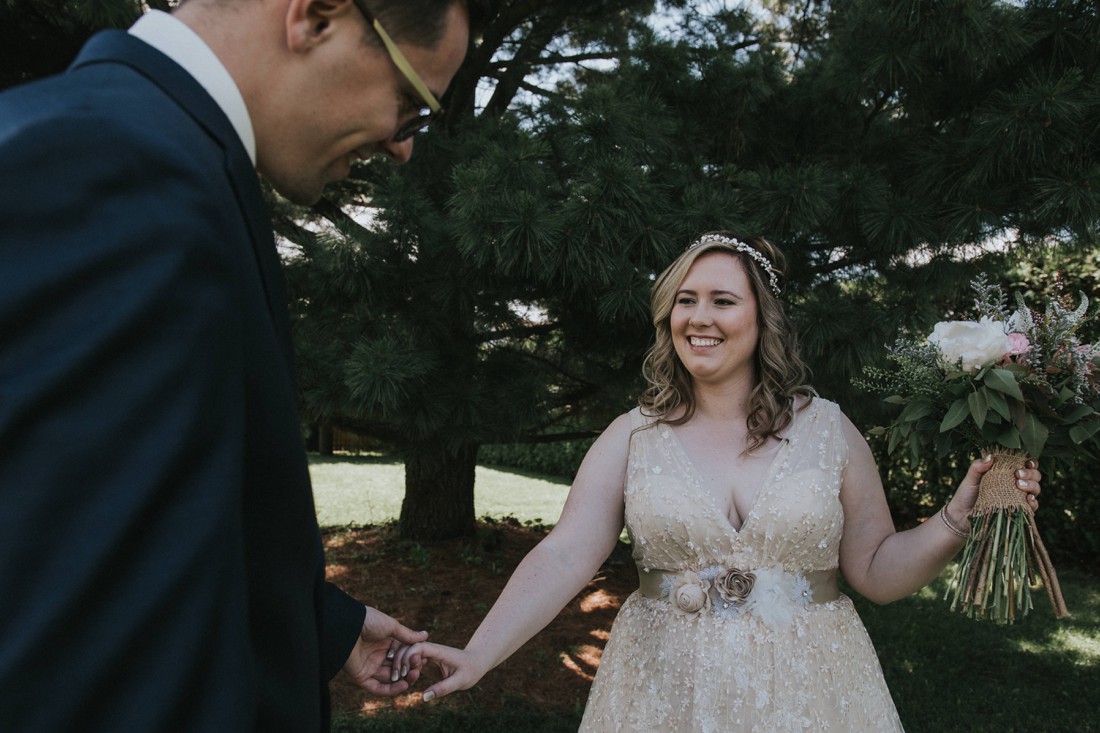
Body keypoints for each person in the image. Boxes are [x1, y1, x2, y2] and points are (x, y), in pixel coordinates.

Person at [0, 0, 493, 730]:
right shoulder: (119, 166)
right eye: (411, 105)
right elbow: (82, 641)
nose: (403, 147)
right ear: (316, 16)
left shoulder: (148, 148)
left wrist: (320, 624)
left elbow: (157, 514)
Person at [397, 232, 1043, 730]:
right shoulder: (632, 436)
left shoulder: (830, 431)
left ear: (761, 317)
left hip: (813, 696)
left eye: (722, 300)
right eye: (685, 300)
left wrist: (955, 521)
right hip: (662, 696)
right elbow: (565, 553)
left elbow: (876, 569)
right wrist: (480, 652)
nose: (698, 317)